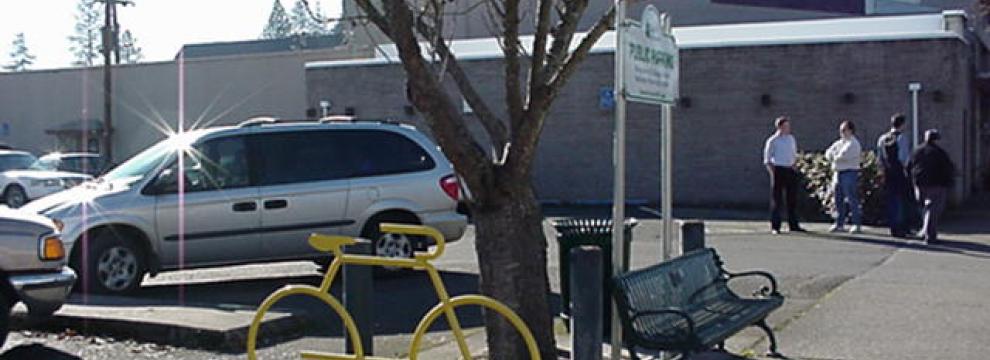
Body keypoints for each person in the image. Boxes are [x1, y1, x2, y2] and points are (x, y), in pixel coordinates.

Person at [908, 129, 955, 243]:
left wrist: (912, 180)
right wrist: (949, 182)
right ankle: (930, 235)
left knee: (924, 207)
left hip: (920, 184)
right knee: (933, 209)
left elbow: (908, 165)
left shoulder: (917, 151)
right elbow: (948, 168)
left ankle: (924, 230)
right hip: (936, 184)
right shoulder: (940, 153)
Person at [763, 116, 805, 234]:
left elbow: (793, 153)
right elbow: (767, 159)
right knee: (777, 199)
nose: (788, 128)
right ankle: (775, 226)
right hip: (778, 169)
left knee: (792, 198)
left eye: (788, 126)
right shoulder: (773, 140)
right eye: (785, 126)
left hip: (790, 169)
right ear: (779, 127)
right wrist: (773, 171)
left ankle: (794, 225)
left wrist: (794, 165)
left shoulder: (791, 139)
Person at [876, 114, 913, 238]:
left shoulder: (883, 138)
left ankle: (893, 226)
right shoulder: (902, 138)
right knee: (902, 200)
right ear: (902, 124)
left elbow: (880, 158)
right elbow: (904, 158)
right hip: (899, 172)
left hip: (888, 172)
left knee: (891, 200)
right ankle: (902, 227)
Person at [825, 120, 863, 233]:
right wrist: (834, 156)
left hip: (849, 172)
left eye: (844, 130)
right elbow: (828, 153)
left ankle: (856, 223)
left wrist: (835, 156)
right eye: (841, 130)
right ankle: (839, 223)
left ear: (850, 130)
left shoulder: (853, 143)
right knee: (838, 199)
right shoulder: (839, 143)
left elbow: (842, 156)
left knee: (852, 198)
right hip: (838, 172)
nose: (841, 132)